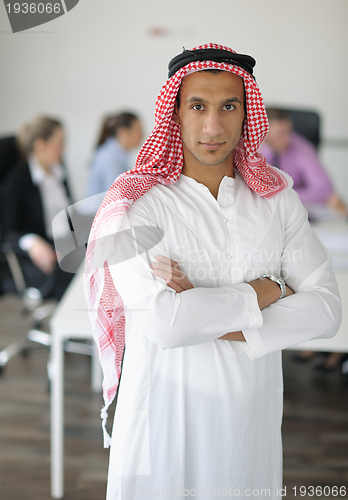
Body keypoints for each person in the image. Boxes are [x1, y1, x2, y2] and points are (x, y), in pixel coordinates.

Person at [84, 44, 341, 499]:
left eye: (229, 107)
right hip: (163, 426)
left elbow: (325, 310)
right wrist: (269, 290)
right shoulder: (135, 206)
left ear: (247, 115)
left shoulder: (277, 198)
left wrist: (209, 314)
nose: (212, 126)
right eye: (197, 106)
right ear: (175, 114)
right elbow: (166, 324)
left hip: (249, 428)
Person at [2, 115, 73, 300]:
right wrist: (32, 242)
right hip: (38, 255)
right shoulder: (18, 180)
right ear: (41, 144)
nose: (64, 148)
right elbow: (8, 230)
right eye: (60, 142)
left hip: (65, 245)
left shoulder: (59, 171)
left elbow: (69, 212)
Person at [260, 107, 347, 216]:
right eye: (279, 134)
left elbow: (324, 191)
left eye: (288, 131)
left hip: (295, 212)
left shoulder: (301, 148)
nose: (287, 139)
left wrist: (279, 196)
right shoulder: (248, 151)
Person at [87, 111, 143, 198]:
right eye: (138, 131)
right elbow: (116, 197)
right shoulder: (108, 158)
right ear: (123, 132)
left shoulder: (118, 155)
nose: (141, 136)